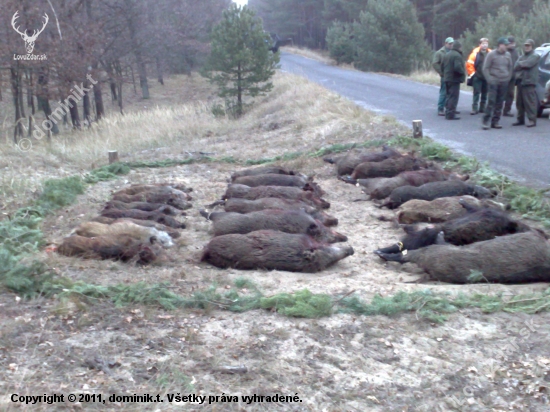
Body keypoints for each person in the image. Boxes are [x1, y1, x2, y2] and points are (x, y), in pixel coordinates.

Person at [482, 37, 513, 129]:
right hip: (494, 81)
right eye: (505, 45)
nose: (506, 47)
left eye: (507, 45)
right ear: (500, 45)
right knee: (491, 101)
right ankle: (486, 121)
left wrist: (508, 77)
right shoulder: (491, 54)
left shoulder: (508, 55)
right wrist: (489, 79)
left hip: (504, 82)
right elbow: (485, 68)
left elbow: (510, 67)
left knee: (500, 102)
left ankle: (495, 121)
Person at [512, 39, 540, 127]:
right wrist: (522, 64)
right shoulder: (522, 56)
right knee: (519, 102)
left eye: (528, 46)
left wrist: (521, 64)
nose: (527, 47)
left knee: (530, 102)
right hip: (520, 81)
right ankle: (520, 119)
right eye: (526, 46)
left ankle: (532, 120)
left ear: (532, 46)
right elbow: (515, 66)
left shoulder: (535, 56)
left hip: (529, 82)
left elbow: (528, 64)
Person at [442, 40, 465, 120]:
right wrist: (463, 72)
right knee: (453, 97)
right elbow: (457, 67)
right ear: (458, 47)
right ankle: (450, 114)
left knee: (448, 96)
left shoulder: (446, 54)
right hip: (454, 79)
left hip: (447, 78)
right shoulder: (457, 55)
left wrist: (444, 74)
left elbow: (442, 66)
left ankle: (448, 112)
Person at [466, 38, 491, 114]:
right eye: (483, 44)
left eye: (486, 43)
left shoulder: (490, 53)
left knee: (485, 93)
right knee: (476, 93)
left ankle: (482, 108)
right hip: (477, 77)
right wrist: (474, 74)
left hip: (486, 77)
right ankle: (474, 108)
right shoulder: (475, 53)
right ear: (480, 44)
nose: (484, 45)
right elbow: (469, 64)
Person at [432, 37, 455, 116]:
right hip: (445, 75)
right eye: (449, 44)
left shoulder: (454, 52)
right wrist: (441, 73)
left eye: (452, 44)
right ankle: (440, 108)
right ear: (446, 44)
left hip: (452, 75)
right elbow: (435, 63)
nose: (451, 45)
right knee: (444, 92)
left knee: (451, 93)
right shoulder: (440, 53)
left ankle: (449, 108)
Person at [503, 36, 519, 116]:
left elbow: (518, 63)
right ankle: (496, 109)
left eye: (513, 43)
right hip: (503, 77)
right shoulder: (504, 51)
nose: (512, 45)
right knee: (500, 93)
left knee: (510, 94)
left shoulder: (516, 52)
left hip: (512, 77)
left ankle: (507, 110)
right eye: (510, 43)